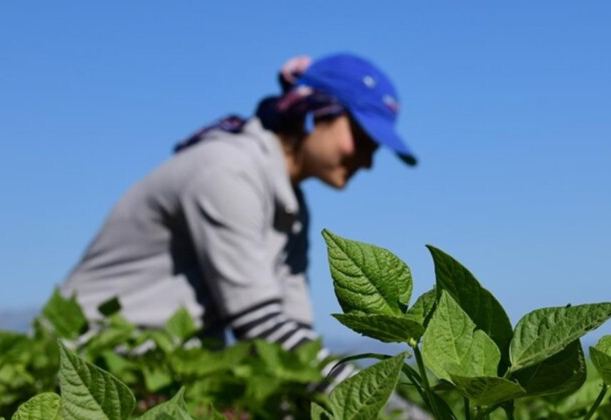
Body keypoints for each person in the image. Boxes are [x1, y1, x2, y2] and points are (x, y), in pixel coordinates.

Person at [61, 52, 417, 389]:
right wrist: (386, 410)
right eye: (362, 140)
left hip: (161, 366)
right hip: (89, 361)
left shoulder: (289, 206)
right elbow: (261, 326)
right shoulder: (226, 172)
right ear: (314, 114)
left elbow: (296, 336)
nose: (367, 161)